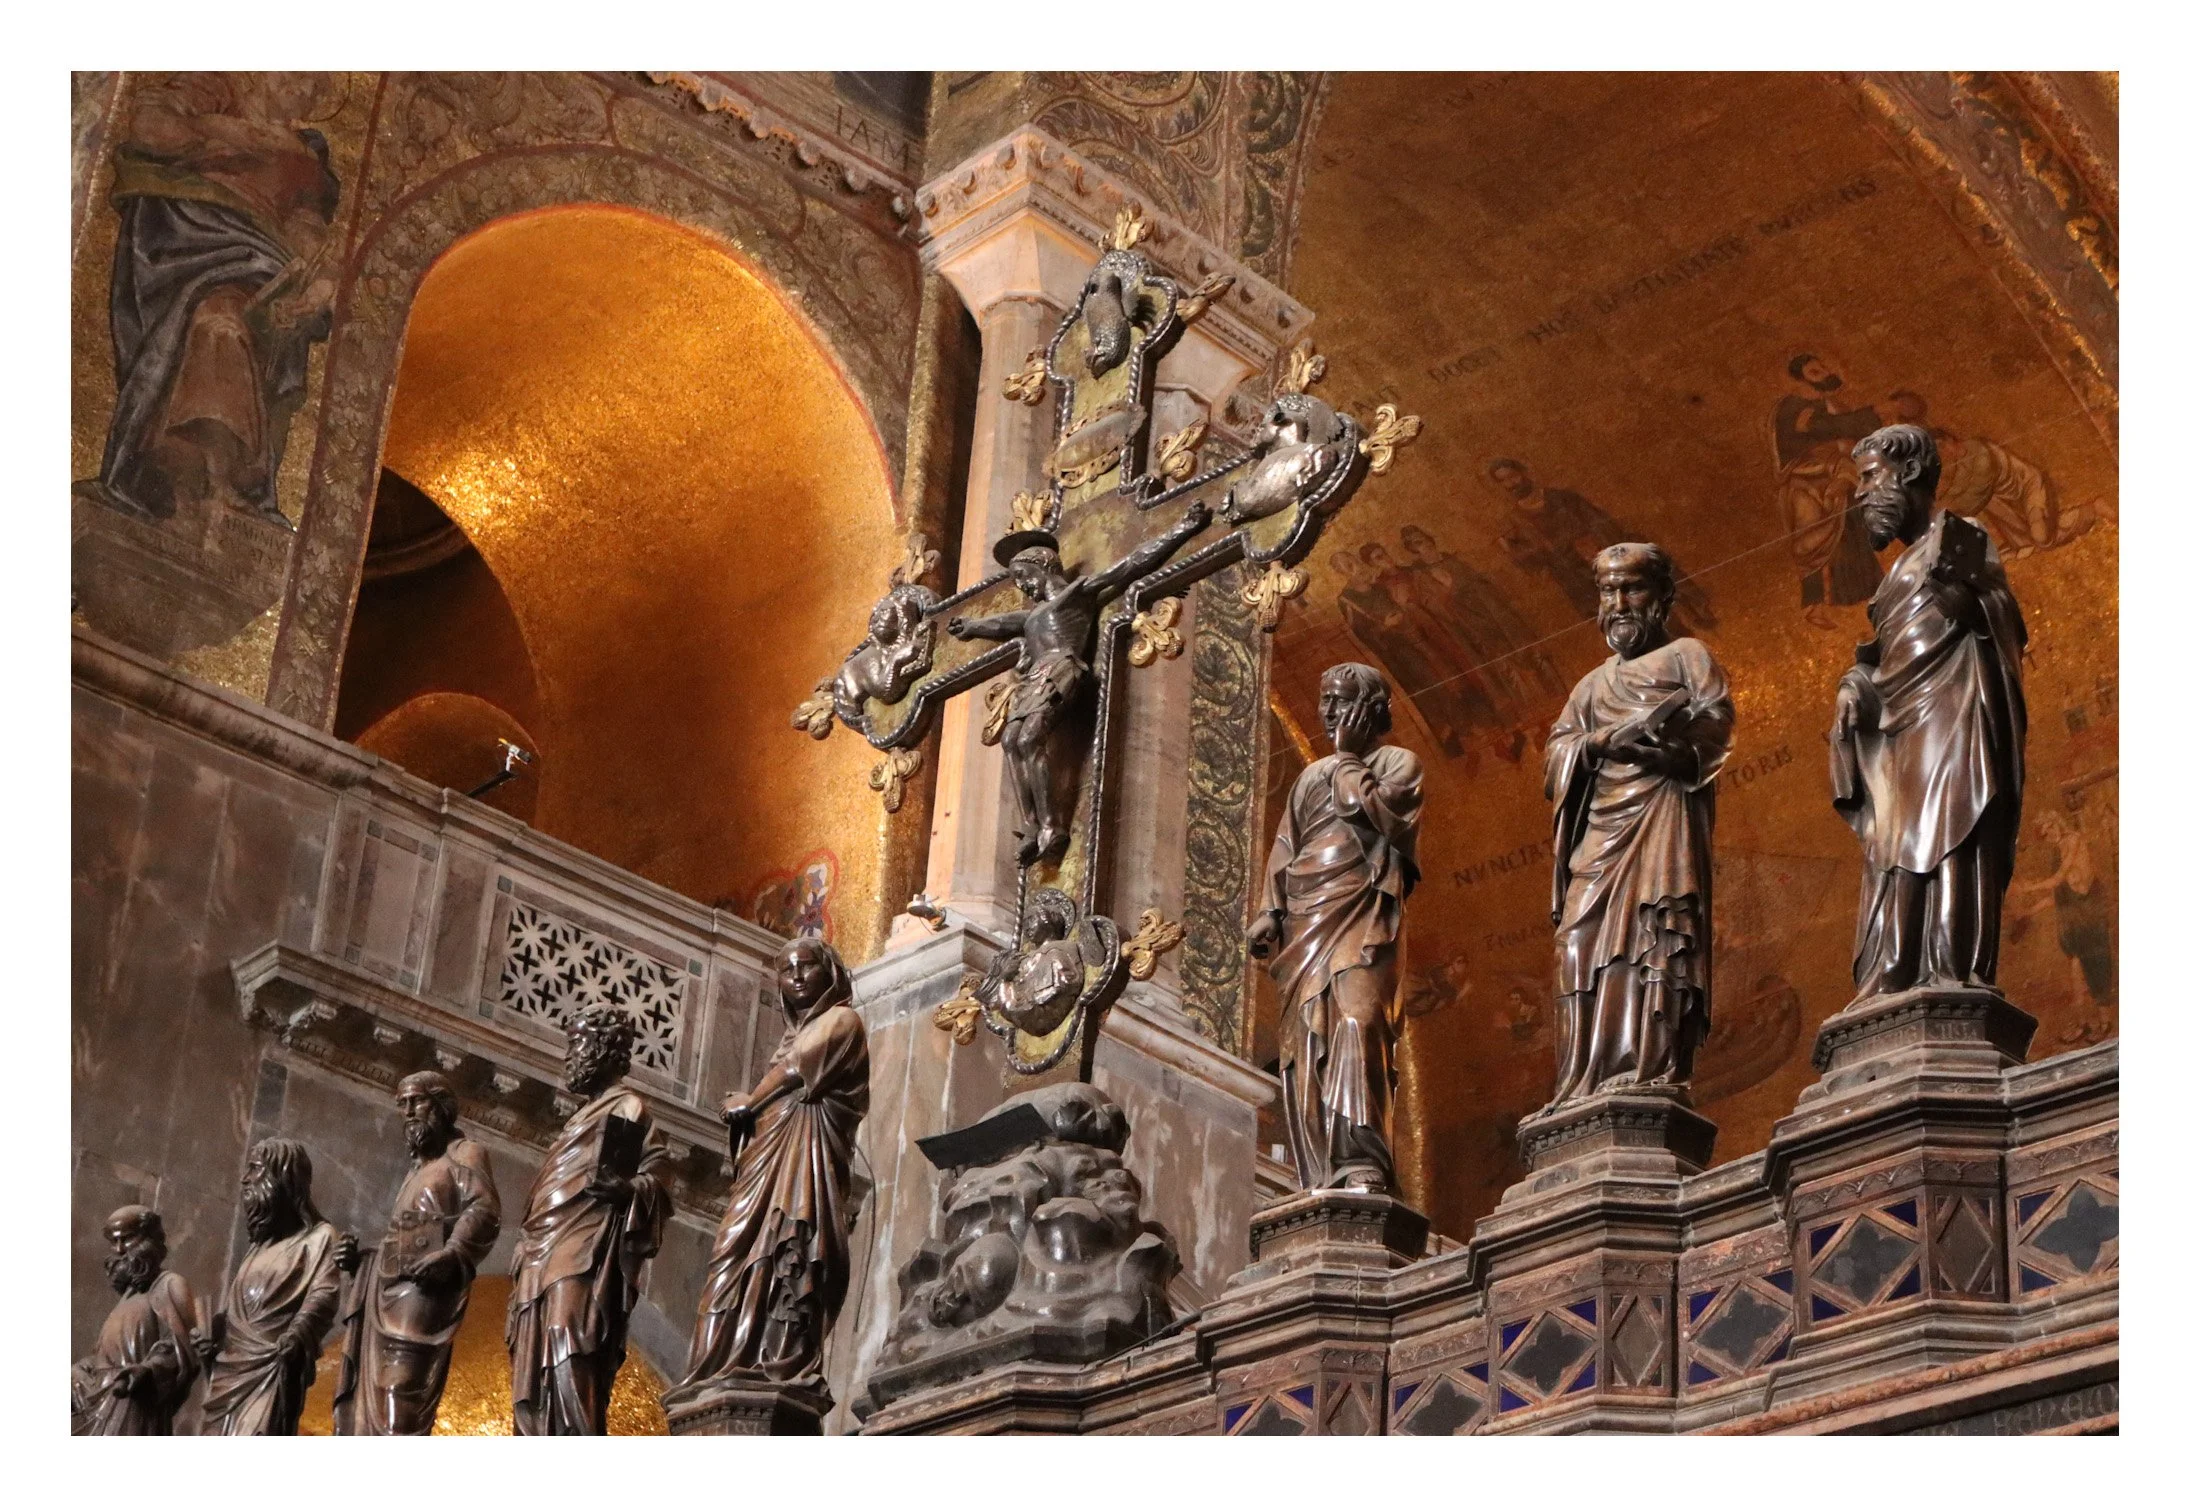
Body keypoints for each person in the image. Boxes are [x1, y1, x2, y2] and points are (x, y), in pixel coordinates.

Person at [77, 74, 342, 522]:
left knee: (227, 321)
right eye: (295, 75)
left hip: (258, 264)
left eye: (312, 88)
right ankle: (196, 478)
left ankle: (211, 477)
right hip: (183, 240)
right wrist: (230, 134)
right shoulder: (213, 89)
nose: (301, 90)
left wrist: (325, 278)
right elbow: (150, 126)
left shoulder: (304, 155)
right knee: (217, 323)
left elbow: (305, 223)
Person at [1830, 424, 2027, 1000]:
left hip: (1955, 713)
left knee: (1952, 834)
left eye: (1870, 477)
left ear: (1909, 473)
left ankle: (1948, 974)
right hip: (1899, 733)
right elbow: (1879, 659)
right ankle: (1895, 968)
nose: (1863, 495)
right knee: (1894, 846)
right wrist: (1852, 688)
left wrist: (1966, 601)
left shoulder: (1961, 537)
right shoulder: (1896, 573)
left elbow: (2002, 618)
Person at [1544, 543, 1734, 1104]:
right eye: (1609, 591)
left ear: (1663, 596)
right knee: (1577, 941)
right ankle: (1584, 1080)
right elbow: (1558, 753)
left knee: (1656, 935)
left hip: (1660, 817)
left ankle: (1650, 1069)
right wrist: (1595, 743)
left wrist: (1671, 752)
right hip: (1602, 829)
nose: (1620, 603)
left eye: (1633, 588)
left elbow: (1717, 723)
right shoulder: (1589, 687)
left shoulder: (1688, 656)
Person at [948, 500, 1209, 864]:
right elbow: (1004, 623)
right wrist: (973, 626)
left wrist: (1183, 528)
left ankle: (1053, 825)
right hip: (1037, 676)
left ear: (1042, 566)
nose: (1021, 587)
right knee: (1011, 740)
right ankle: (1031, 825)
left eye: (1023, 576)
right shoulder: (1031, 615)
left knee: (1028, 737)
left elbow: (1130, 565)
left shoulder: (1078, 594)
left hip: (1062, 670)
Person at [672, 938, 870, 1412]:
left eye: (807, 967)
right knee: (731, 1257)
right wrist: (750, 1117)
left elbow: (799, 1070)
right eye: (787, 970)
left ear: (830, 973)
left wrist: (751, 1101)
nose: (797, 976)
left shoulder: (842, 1020)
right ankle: (720, 1364)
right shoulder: (791, 1036)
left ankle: (775, 1361)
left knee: (788, 1251)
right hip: (767, 1165)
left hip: (806, 1165)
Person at [1249, 663, 1425, 1194]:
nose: (1328, 712)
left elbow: (1374, 812)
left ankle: (1363, 1160)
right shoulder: (1308, 777)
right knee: (1306, 1039)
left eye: (1341, 700)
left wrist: (1347, 758)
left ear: (1371, 708)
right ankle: (1322, 1169)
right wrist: (1268, 910)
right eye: (1324, 699)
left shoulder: (1399, 764)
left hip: (1363, 914)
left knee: (1358, 1019)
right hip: (1307, 920)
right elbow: (1286, 846)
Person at [506, 1005, 671, 1434]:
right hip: (541, 1253)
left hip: (583, 1249)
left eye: (577, 1045)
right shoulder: (576, 1121)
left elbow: (659, 1181)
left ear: (602, 1049)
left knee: (570, 1343)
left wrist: (628, 1190)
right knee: (533, 1365)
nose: (569, 1058)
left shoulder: (629, 1108)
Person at [332, 1070, 501, 1435]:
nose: (408, 1112)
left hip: (424, 1292)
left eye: (417, 1101)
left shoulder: (465, 1153)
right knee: (375, 1392)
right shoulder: (418, 1171)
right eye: (403, 1104)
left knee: (401, 1386)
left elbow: (484, 1209)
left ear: (440, 1106)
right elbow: (405, 1240)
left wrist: (454, 1251)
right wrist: (361, 1259)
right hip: (389, 1290)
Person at [198, 1138, 351, 1435]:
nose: (245, 1179)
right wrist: (211, 1337)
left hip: (272, 1366)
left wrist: (297, 1333)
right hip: (228, 1374)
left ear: (283, 1177)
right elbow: (236, 1314)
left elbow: (324, 1293)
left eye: (255, 1169)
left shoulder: (319, 1237)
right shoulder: (258, 1248)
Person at [1773, 354, 1889, 625]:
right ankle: (1814, 605)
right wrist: (1872, 414)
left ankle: (1869, 592)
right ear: (1800, 380)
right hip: (1807, 482)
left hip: (1836, 474)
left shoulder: (1826, 403)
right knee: (1815, 540)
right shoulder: (1793, 407)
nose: (1824, 373)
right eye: (1815, 371)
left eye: (1823, 367)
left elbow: (1847, 434)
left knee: (1851, 533)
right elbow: (1822, 429)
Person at [70, 1205, 202, 1434]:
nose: (119, 1249)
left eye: (127, 1239)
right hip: (103, 1404)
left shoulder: (169, 1285)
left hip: (134, 1407)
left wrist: (149, 1370)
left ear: (148, 1238)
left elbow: (182, 1350)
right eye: (114, 1242)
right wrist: (85, 1368)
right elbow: (107, 1356)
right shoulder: (130, 1296)